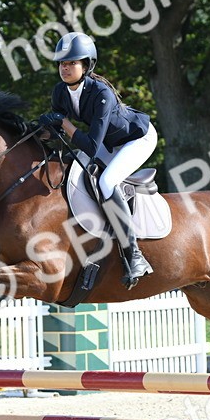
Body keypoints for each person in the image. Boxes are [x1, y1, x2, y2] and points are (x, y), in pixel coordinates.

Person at [38, 32, 157, 288]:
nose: (65, 68)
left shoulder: (102, 93)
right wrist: (42, 129)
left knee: (106, 182)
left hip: (137, 139)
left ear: (86, 65)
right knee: (73, 169)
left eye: (71, 63)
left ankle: (134, 254)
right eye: (62, 63)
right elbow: (57, 132)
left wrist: (64, 123)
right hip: (107, 142)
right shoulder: (60, 92)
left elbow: (91, 146)